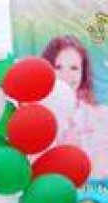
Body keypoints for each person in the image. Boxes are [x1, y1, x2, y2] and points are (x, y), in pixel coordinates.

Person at [42, 35, 108, 178]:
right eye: (58, 67)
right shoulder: (37, 116)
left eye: (74, 68)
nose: (66, 75)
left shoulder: (100, 116)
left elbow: (101, 170)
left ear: (83, 73)